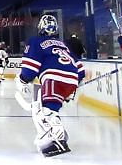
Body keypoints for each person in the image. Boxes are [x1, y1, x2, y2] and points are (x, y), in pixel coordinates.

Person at [16, 13, 84, 157]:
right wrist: (74, 85)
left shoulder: (36, 42)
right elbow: (80, 69)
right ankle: (57, 136)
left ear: (40, 28)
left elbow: (30, 69)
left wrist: (22, 80)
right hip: (71, 78)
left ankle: (58, 140)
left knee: (46, 111)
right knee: (49, 107)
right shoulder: (64, 45)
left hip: (54, 78)